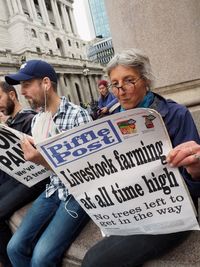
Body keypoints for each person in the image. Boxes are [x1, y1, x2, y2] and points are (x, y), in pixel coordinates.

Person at [81, 48, 200, 267]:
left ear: (146, 81)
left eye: (128, 81)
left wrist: (195, 172)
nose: (121, 91)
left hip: (172, 214)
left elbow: (194, 189)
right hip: (130, 209)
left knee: (93, 261)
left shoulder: (176, 114)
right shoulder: (112, 119)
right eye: (115, 84)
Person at [5, 59, 91, 267]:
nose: (22, 92)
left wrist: (41, 159)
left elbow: (87, 171)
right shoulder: (37, 120)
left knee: (41, 258)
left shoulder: (78, 116)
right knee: (13, 248)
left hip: (76, 194)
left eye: (26, 85)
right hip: (52, 189)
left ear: (46, 83)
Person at [0, 81, 48, 267]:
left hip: (35, 180)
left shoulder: (29, 119)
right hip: (16, 178)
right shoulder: (9, 120)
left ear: (12, 95)